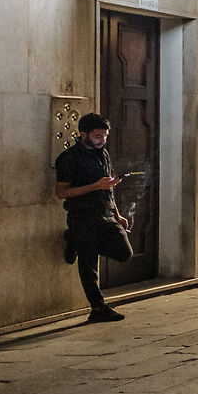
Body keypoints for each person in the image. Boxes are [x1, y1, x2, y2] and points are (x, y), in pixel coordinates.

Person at [54, 113, 132, 323]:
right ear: (83, 134)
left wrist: (117, 214)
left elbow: (108, 187)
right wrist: (95, 186)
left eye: (104, 136)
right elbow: (61, 192)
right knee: (88, 265)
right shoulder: (69, 159)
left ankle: (74, 241)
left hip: (105, 214)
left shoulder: (103, 154)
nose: (102, 140)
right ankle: (98, 308)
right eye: (98, 136)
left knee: (124, 252)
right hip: (83, 216)